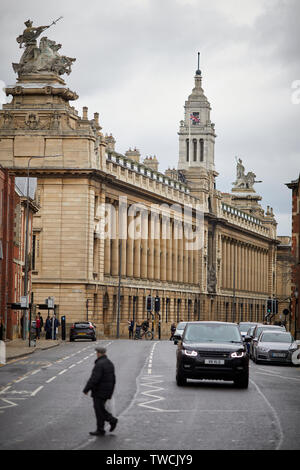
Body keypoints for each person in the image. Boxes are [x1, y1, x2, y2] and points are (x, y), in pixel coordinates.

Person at [83, 346, 118, 436]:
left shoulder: (99, 364)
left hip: (99, 391)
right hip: (107, 390)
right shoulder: (109, 363)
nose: (96, 354)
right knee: (99, 409)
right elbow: (113, 378)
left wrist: (86, 389)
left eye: (97, 353)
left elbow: (94, 378)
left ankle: (112, 420)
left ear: (99, 353)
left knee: (99, 410)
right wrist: (111, 390)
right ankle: (100, 429)